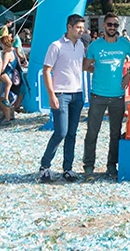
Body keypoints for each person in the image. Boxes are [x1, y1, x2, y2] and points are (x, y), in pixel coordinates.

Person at [83, 13, 130, 178]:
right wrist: (97, 70)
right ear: (103, 26)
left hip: (118, 96)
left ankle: (111, 165)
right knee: (92, 132)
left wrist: (129, 74)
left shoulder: (124, 43)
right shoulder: (95, 46)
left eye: (115, 25)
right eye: (109, 24)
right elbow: (86, 65)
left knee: (115, 133)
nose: (112, 28)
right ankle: (88, 166)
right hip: (98, 96)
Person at [39, 14, 86, 183]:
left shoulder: (81, 45)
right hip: (61, 94)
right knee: (61, 132)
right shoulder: (56, 46)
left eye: (82, 27)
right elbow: (46, 70)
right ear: (69, 27)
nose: (82, 31)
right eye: (78, 27)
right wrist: (51, 94)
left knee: (72, 134)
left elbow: (82, 66)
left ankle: (68, 168)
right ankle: (45, 166)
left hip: (78, 93)